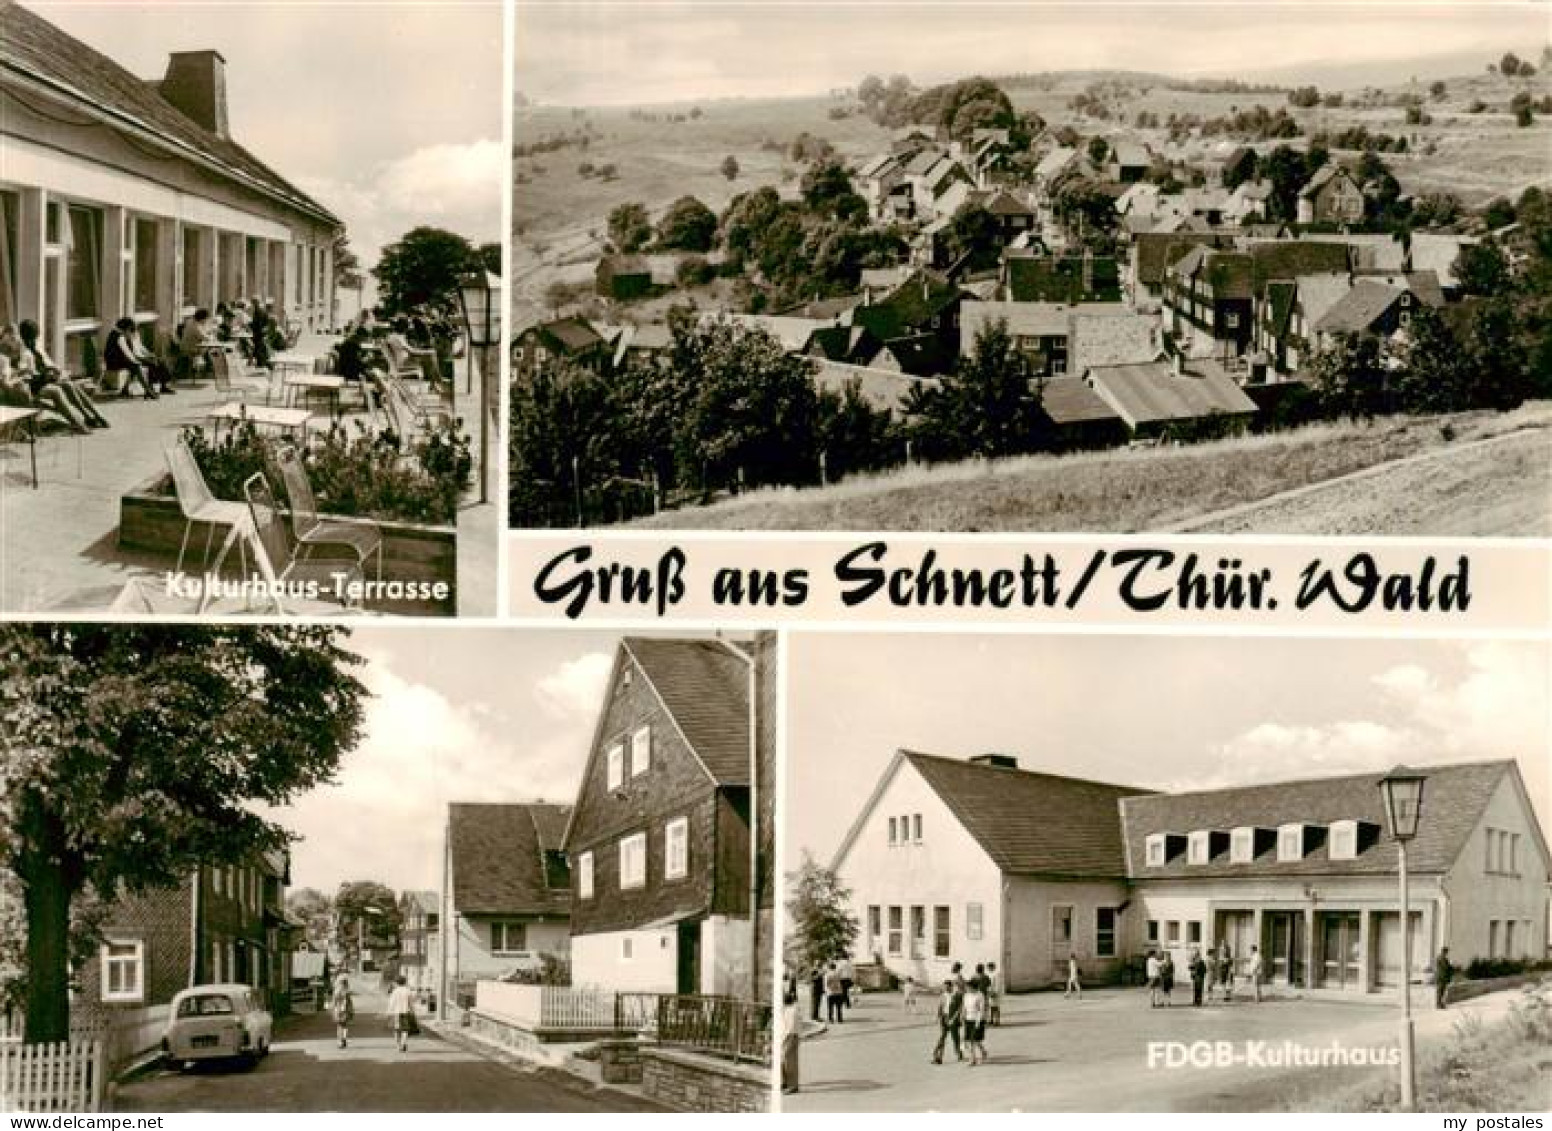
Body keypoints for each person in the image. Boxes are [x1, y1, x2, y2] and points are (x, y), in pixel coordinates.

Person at [15, 320, 107, 428]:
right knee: (67, 385)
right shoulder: (23, 353)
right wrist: (46, 374)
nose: (34, 341)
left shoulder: (37, 348)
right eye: (32, 338)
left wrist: (56, 370)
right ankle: (87, 416)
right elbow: (27, 374)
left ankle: (94, 414)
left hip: (45, 379)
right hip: (35, 385)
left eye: (35, 338)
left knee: (71, 385)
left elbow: (48, 363)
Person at [0, 331, 88, 433]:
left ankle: (81, 421)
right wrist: (20, 376)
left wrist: (26, 374)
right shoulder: (4, 359)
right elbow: (6, 382)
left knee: (62, 387)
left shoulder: (25, 353)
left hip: (29, 384)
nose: (15, 349)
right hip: (18, 389)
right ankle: (78, 422)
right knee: (56, 390)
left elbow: (32, 371)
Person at [931, 979, 963, 1065]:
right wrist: (937, 1017)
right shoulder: (942, 996)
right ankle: (939, 1056)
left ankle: (958, 1052)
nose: (945, 988)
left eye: (947, 987)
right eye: (944, 987)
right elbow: (940, 1007)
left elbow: (960, 1008)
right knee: (943, 1036)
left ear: (951, 987)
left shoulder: (956, 995)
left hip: (953, 1018)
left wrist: (956, 1018)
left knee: (955, 1037)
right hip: (944, 1017)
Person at [385, 975, 417, 1053]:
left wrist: (388, 1012)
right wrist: (413, 1011)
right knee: (405, 1030)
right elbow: (411, 1003)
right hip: (406, 1012)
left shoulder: (394, 992)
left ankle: (398, 1046)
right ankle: (403, 1043)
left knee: (396, 1030)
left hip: (396, 1013)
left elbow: (391, 1003)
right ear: (405, 982)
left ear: (396, 983)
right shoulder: (408, 991)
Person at [781, 977, 801, 1095]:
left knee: (789, 1061)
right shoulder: (789, 1009)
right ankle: (786, 1082)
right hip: (789, 1035)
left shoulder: (792, 1011)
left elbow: (791, 1027)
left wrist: (786, 1038)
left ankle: (792, 1085)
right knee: (785, 1060)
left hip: (790, 1036)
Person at [961, 981, 988, 1067]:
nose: (966, 989)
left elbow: (982, 1009)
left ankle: (972, 1059)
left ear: (973, 987)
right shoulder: (966, 995)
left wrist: (978, 1021)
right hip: (968, 1020)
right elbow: (964, 1007)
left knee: (973, 1039)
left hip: (977, 1020)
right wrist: (963, 1016)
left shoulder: (980, 995)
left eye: (968, 987)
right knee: (970, 1040)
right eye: (966, 987)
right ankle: (982, 1051)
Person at [329, 975, 354, 1049]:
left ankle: (340, 1041)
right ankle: (344, 1039)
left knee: (339, 1026)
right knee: (345, 1026)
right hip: (346, 1010)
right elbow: (350, 1002)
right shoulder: (347, 991)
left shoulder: (337, 991)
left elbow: (334, 1001)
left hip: (338, 1010)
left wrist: (332, 1008)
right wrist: (351, 1010)